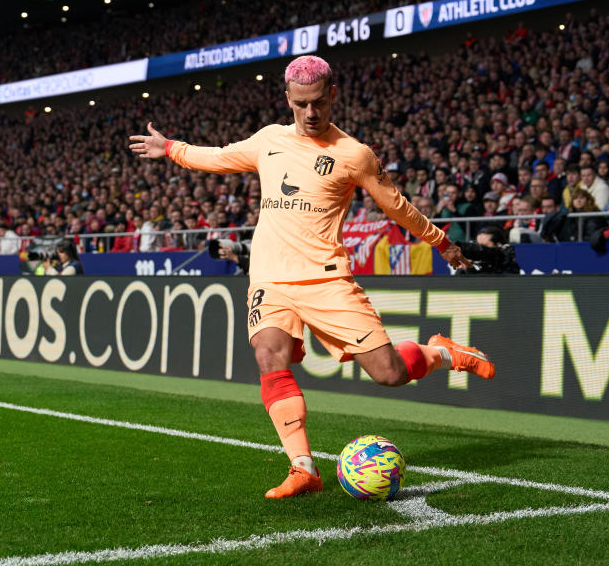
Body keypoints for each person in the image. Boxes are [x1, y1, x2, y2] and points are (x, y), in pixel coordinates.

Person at [128, 55, 494, 500]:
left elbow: (396, 205)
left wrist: (441, 243)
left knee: (389, 373)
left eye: (318, 102)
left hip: (325, 280)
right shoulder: (269, 140)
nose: (310, 113)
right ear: (288, 99)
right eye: (301, 104)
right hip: (270, 278)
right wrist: (170, 148)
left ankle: (440, 353)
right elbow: (219, 157)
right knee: (269, 355)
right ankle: (303, 468)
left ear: (333, 95)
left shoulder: (354, 154)